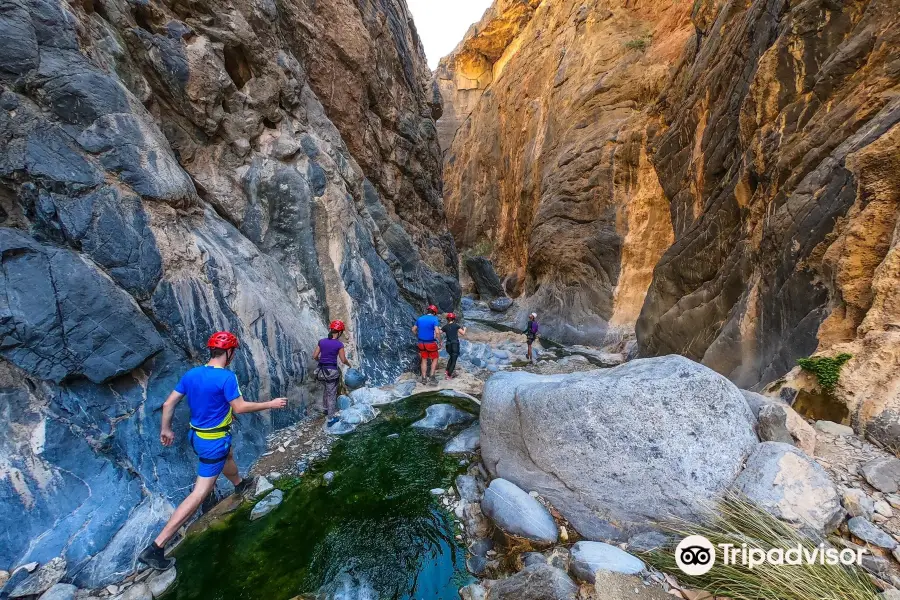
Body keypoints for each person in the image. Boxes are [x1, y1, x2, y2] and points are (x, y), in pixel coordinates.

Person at [138, 331, 288, 570]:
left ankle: (239, 483)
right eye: (234, 352)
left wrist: (165, 429)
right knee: (199, 495)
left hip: (196, 437)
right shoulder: (226, 378)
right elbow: (239, 408)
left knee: (227, 456)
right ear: (229, 352)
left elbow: (168, 403)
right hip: (213, 441)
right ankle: (156, 548)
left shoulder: (192, 374)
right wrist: (270, 404)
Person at [313, 320, 352, 426]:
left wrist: (321, 361)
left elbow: (315, 356)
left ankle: (325, 409)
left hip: (321, 371)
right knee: (331, 394)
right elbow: (343, 360)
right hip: (331, 372)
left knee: (326, 389)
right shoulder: (339, 344)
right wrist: (349, 365)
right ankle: (330, 419)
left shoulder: (322, 341)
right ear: (339, 332)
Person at [412, 304, 442, 385]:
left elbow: (413, 329)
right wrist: (440, 342)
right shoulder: (434, 319)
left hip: (421, 343)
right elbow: (437, 332)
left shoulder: (420, 318)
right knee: (435, 358)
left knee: (424, 360)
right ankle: (432, 377)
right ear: (435, 312)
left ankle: (424, 378)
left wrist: (418, 335)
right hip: (431, 343)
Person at [442, 313, 466, 379]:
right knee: (454, 360)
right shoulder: (456, 326)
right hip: (455, 344)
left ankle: (447, 371)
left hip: (448, 345)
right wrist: (465, 329)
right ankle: (449, 375)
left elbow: (439, 332)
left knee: (451, 357)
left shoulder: (445, 327)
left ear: (447, 319)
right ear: (454, 319)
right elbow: (463, 333)